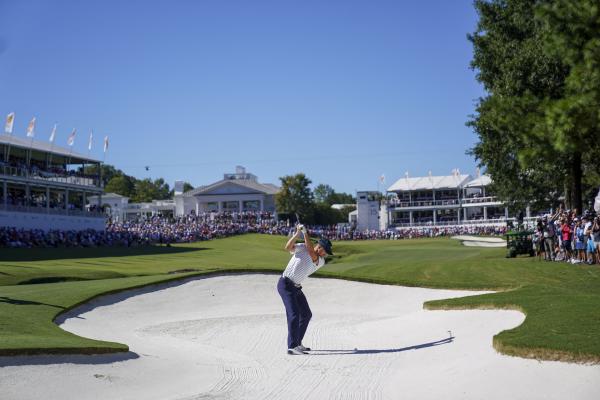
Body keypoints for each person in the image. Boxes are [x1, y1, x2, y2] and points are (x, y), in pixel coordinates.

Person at [277, 223, 333, 355]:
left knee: (306, 314)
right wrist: (297, 234)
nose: (325, 254)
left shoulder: (320, 260)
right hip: (285, 284)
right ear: (318, 247)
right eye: (324, 250)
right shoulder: (302, 247)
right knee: (294, 313)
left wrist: (305, 233)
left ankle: (297, 342)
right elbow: (288, 247)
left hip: (296, 287)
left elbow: (311, 252)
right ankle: (292, 346)